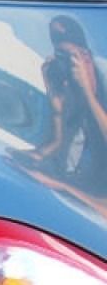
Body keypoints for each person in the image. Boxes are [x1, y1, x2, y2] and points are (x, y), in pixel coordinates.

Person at [32, 15, 107, 193]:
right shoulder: (70, 91)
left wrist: (89, 95)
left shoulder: (100, 81)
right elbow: (57, 155)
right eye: (60, 57)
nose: (65, 66)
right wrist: (56, 107)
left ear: (86, 58)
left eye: (69, 58)